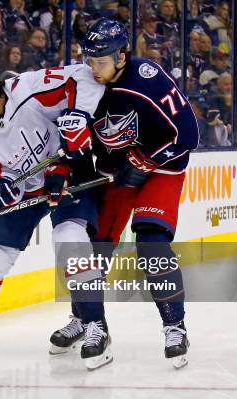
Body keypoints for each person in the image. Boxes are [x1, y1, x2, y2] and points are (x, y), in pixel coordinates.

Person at [0, 60, 109, 370]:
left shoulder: (30, 89)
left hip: (67, 175)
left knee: (70, 241)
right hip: (31, 190)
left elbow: (84, 77)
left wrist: (79, 117)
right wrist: (1, 189)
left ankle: (95, 326)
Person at [59, 18, 199, 369]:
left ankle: (174, 326)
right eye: (89, 60)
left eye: (101, 62)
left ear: (121, 56)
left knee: (151, 242)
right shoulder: (83, 83)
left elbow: (188, 135)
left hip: (161, 169)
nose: (93, 69)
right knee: (89, 246)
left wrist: (146, 160)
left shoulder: (147, 78)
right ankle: (88, 320)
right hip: (114, 173)